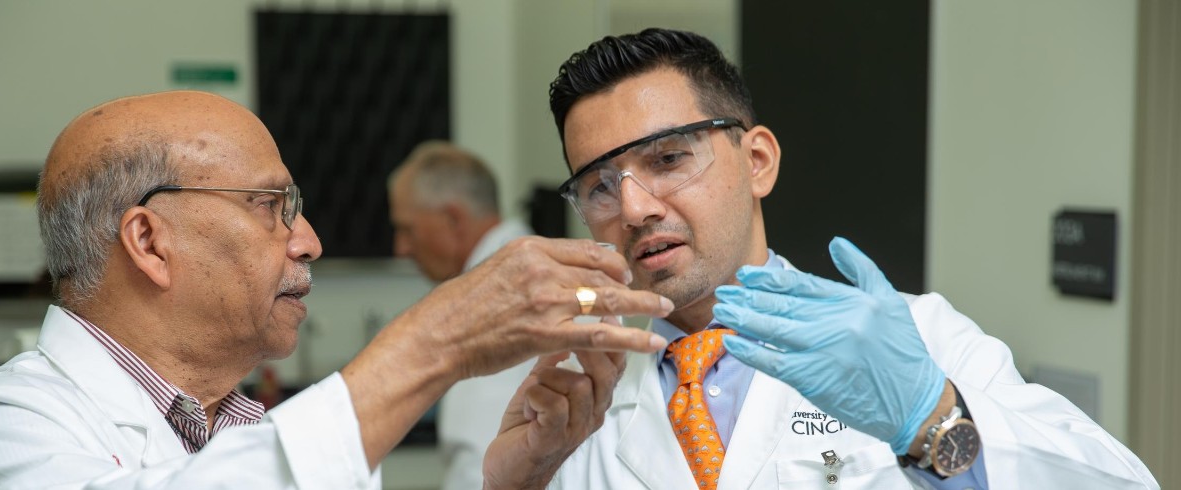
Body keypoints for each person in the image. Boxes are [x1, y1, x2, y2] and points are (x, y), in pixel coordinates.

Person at [482, 29, 1160, 489]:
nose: (632, 209)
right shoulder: (570, 405)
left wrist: (932, 421)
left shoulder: (920, 343)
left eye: (667, 159)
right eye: (600, 184)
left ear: (757, 162)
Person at [0, 90, 676, 489]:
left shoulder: (241, 429)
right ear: (149, 241)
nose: (308, 242)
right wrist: (430, 345)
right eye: (273, 208)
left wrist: (516, 483)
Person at [388, 141, 537, 490]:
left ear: (453, 219)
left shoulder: (497, 292)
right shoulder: (525, 265)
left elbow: (479, 462)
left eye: (408, 228)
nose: (401, 247)